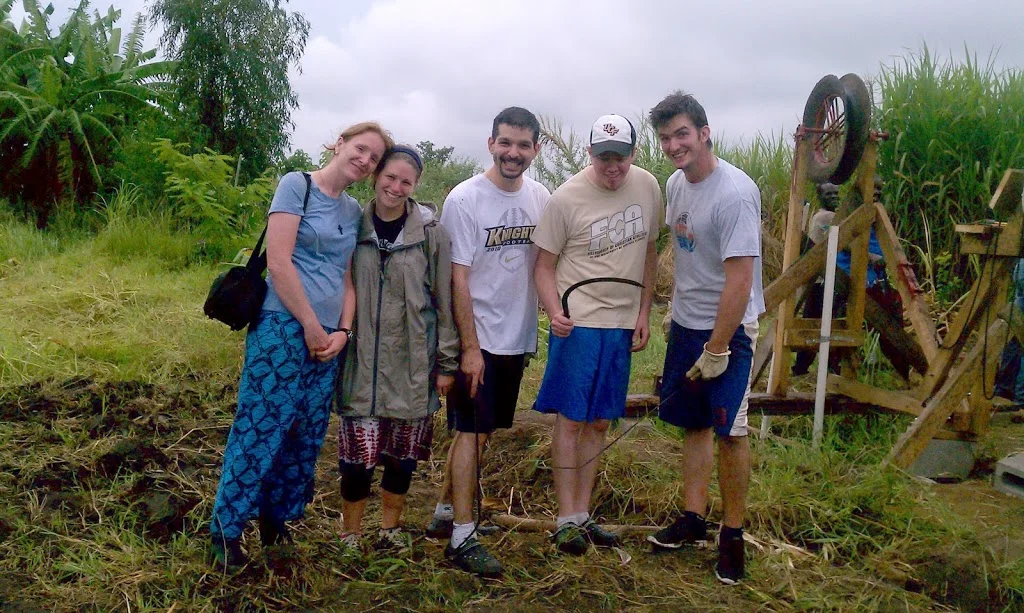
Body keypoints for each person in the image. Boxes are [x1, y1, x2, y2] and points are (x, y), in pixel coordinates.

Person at [208, 122, 392, 569]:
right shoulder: (297, 186)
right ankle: (227, 530)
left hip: (328, 338)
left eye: (374, 158)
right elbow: (279, 260)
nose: (365, 160)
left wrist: (342, 331)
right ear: (341, 142)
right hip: (281, 328)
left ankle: (276, 519)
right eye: (361, 148)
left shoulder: (353, 212)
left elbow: (347, 278)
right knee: (260, 425)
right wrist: (309, 323)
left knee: (304, 434)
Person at [647, 92, 764, 586]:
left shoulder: (734, 193)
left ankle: (732, 535)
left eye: (682, 134)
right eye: (666, 137)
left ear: (704, 131)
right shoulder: (676, 183)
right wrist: (680, 322)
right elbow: (683, 254)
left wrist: (718, 347)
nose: (675, 145)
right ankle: (693, 518)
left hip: (730, 329)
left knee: (729, 431)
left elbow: (740, 279)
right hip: (688, 322)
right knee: (692, 424)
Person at [532, 113, 662, 556]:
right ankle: (565, 518)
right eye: (604, 158)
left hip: (622, 323)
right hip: (580, 322)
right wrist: (554, 311)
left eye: (621, 158)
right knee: (571, 418)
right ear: (589, 153)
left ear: (633, 154)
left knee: (601, 420)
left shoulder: (647, 186)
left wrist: (644, 310)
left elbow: (649, 252)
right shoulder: (566, 198)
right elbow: (543, 266)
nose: (613, 167)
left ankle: (584, 514)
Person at [431, 107, 549, 577]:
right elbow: (457, 278)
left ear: (536, 150)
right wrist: (470, 346)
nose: (512, 153)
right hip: (475, 337)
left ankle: (445, 510)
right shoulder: (465, 200)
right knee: (469, 430)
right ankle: (463, 533)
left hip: (514, 336)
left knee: (481, 431)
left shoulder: (541, 197)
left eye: (522, 145)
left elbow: (544, 263)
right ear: (490, 143)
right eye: (505, 143)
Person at [334, 146, 459, 553]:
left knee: (401, 457)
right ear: (376, 176)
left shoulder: (431, 234)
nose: (395, 187)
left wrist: (446, 363)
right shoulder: (352, 224)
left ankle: (389, 529)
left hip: (413, 364)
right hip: (361, 360)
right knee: (357, 457)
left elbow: (443, 302)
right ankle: (350, 534)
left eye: (406, 181)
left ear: (416, 185)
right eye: (389, 177)